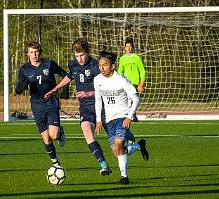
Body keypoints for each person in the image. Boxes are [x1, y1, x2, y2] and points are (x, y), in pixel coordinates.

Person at [44, 39, 112, 176]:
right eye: (77, 56)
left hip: (101, 107)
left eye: (82, 55)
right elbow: (70, 76)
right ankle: (104, 164)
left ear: (87, 53)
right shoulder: (73, 64)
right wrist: (56, 88)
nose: (79, 59)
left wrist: (89, 93)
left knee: (116, 145)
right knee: (87, 131)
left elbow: (105, 86)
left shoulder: (94, 65)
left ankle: (136, 145)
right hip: (85, 108)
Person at [94, 50, 149, 185]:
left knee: (118, 144)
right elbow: (98, 100)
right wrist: (98, 120)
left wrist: (129, 117)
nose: (102, 68)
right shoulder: (97, 80)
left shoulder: (121, 80)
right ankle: (138, 146)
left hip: (122, 117)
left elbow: (135, 98)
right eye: (100, 65)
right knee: (117, 151)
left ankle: (124, 177)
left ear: (113, 66)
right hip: (109, 120)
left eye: (105, 65)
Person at [15, 41, 66, 167]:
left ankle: (60, 133)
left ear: (40, 52)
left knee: (53, 135)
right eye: (31, 52)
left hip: (51, 102)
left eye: (36, 52)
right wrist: (22, 86)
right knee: (46, 138)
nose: (34, 54)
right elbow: (18, 89)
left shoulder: (49, 64)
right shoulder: (24, 69)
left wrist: (65, 91)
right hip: (37, 105)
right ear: (27, 54)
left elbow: (65, 75)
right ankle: (56, 164)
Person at [118, 37, 146, 122]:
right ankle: (129, 115)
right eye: (127, 46)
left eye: (130, 46)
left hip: (134, 82)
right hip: (125, 83)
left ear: (132, 47)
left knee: (134, 99)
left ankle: (133, 114)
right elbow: (120, 71)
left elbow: (142, 70)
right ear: (125, 48)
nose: (128, 48)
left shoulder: (137, 58)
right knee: (126, 100)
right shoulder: (122, 59)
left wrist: (141, 83)